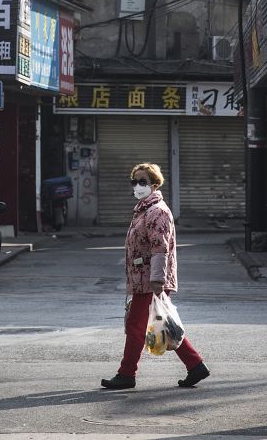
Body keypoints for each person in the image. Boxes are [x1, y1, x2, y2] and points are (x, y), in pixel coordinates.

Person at [101, 162, 209, 390]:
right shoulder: (144, 209)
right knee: (162, 324)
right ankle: (195, 365)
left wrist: (157, 281)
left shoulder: (156, 211)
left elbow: (160, 248)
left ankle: (126, 374)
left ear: (155, 184)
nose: (138, 186)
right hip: (144, 279)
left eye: (143, 181)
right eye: (135, 181)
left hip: (150, 280)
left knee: (136, 327)